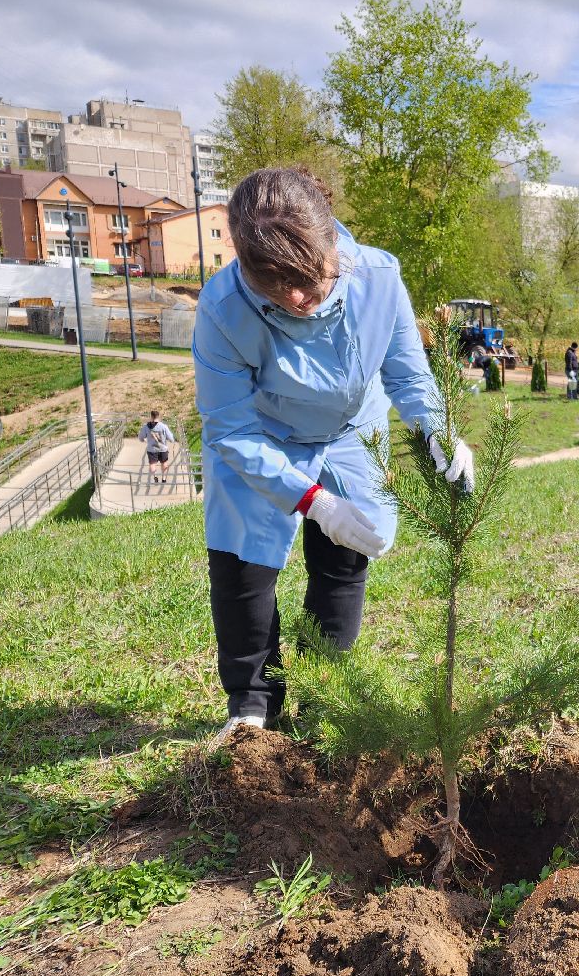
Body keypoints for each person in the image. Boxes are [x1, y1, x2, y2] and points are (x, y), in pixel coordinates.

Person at [192, 167, 476, 740]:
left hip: (350, 431)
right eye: (276, 285)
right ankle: (253, 707)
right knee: (244, 569)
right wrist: (314, 501)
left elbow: (407, 374)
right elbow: (231, 427)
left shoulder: (378, 278)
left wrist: (437, 431)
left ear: (331, 245)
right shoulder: (223, 310)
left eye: (308, 280)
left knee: (345, 561)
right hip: (261, 438)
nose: (296, 299)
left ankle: (324, 699)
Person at [138, 409, 176, 483]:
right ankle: (164, 478)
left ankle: (155, 476)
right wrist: (171, 440)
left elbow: (140, 437)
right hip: (162, 448)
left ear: (151, 416)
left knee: (152, 464)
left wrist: (143, 440)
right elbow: (171, 438)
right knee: (164, 463)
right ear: (158, 416)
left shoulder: (146, 426)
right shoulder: (164, 426)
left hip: (151, 449)